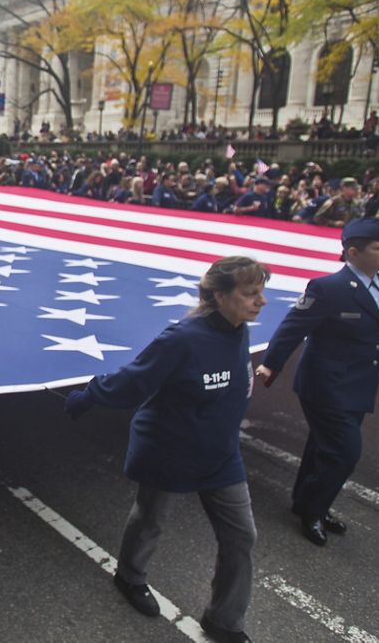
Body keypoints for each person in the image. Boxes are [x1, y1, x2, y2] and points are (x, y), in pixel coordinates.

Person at [64, 257, 269, 643]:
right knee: (151, 519)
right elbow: (134, 380)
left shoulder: (239, 331)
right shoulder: (183, 339)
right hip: (171, 448)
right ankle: (130, 577)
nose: (262, 301)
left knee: (242, 536)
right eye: (250, 293)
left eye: (261, 292)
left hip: (221, 455)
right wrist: (91, 394)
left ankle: (224, 620)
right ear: (220, 295)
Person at [257, 218, 379, 546]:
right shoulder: (328, 288)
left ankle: (305, 501)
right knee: (345, 452)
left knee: (323, 446)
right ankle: (313, 512)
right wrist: (271, 366)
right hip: (326, 386)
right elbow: (293, 326)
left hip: (359, 384)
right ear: (353, 252)